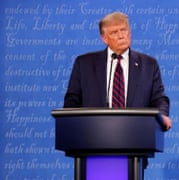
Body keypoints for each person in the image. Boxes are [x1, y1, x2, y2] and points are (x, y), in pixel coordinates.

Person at [63, 11, 172, 177]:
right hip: (91, 148)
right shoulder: (84, 63)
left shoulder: (148, 65)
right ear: (104, 38)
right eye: (115, 32)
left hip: (134, 146)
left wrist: (162, 116)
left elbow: (159, 98)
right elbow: (71, 101)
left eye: (124, 30)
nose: (121, 35)